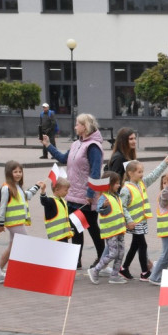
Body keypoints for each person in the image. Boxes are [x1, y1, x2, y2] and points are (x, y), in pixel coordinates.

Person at [42, 113, 107, 270]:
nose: (75, 126)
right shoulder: (77, 143)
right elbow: (64, 159)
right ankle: (76, 261)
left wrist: (91, 194)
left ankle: (102, 258)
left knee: (92, 228)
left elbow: (95, 172)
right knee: (76, 228)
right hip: (72, 195)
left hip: (86, 197)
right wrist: (48, 145)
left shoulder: (93, 146)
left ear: (84, 127)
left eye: (77, 124)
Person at [119, 157, 168, 281]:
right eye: (139, 172)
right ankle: (144, 272)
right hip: (134, 222)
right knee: (143, 245)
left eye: (142, 171)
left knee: (135, 246)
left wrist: (165, 163)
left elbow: (154, 175)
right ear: (130, 173)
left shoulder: (142, 183)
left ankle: (124, 268)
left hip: (141, 221)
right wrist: (129, 221)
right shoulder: (126, 189)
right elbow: (122, 207)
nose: (142, 174)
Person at [0, 161, 41, 272]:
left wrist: (37, 186)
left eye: (20, 171)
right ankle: (24, 270)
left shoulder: (18, 187)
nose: (18, 174)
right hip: (12, 222)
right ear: (9, 173)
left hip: (18, 222)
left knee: (12, 248)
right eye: (15, 171)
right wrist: (0, 223)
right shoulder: (6, 188)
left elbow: (27, 195)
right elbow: (2, 206)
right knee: (25, 243)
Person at [88, 172, 130, 285]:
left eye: (119, 183)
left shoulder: (116, 196)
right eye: (116, 183)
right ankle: (95, 270)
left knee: (121, 252)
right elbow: (99, 209)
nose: (119, 185)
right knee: (113, 253)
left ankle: (114, 276)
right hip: (111, 231)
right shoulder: (104, 197)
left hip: (119, 230)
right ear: (109, 184)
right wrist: (104, 206)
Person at [38, 176, 74, 242]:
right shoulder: (51, 201)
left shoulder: (62, 200)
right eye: (65, 190)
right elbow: (44, 201)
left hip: (64, 235)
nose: (67, 192)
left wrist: (70, 227)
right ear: (57, 189)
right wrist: (43, 191)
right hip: (56, 238)